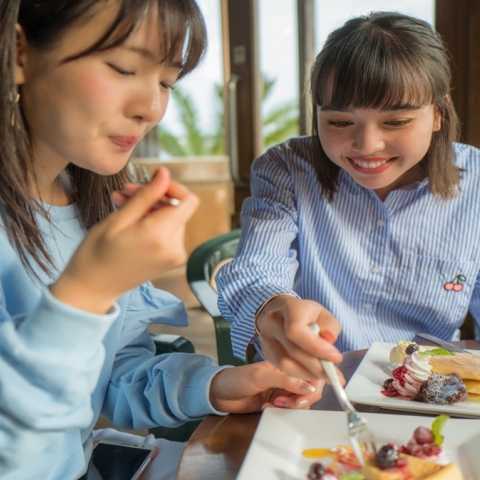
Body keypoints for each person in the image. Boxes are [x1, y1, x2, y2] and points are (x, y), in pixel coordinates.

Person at [0, 1, 324, 478]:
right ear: (18, 53)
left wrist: (215, 386)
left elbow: (113, 376)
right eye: (124, 67)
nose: (151, 108)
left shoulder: (93, 209)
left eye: (167, 82)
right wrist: (85, 294)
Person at [216, 11, 480, 381]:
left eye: (396, 121)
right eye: (340, 122)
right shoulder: (287, 169)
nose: (367, 145)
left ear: (438, 113)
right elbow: (256, 269)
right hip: (314, 385)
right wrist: (273, 308)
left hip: (429, 390)